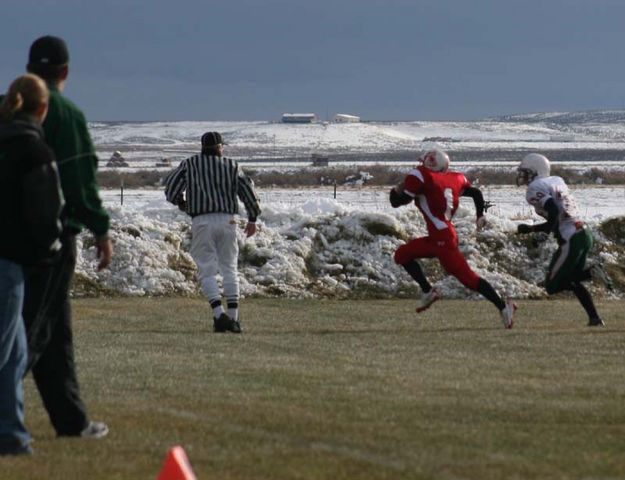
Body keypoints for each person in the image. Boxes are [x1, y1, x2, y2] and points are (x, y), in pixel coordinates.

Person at [22, 35, 113, 438]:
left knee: (53, 329)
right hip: (52, 237)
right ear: (65, 72)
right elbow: (79, 180)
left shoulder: (9, 106)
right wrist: (100, 227)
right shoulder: (65, 114)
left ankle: (71, 420)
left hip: (10, 235)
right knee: (32, 330)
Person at [0, 74, 63, 454]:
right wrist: (51, 248)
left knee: (16, 352)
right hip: (9, 260)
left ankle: (12, 435)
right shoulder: (35, 152)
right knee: (5, 348)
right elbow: (46, 212)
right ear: (42, 109)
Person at [390, 149, 516, 328]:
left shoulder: (421, 175)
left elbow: (397, 202)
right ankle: (428, 291)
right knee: (402, 254)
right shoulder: (454, 178)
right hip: (441, 236)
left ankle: (504, 307)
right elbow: (475, 193)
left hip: (443, 240)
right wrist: (479, 215)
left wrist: (397, 188)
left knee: (469, 279)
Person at [165, 131, 261, 333]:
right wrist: (252, 218)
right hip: (228, 220)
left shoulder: (190, 164)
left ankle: (219, 315)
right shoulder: (232, 165)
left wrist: (182, 203)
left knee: (206, 269)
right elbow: (248, 191)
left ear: (202, 147)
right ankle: (233, 319)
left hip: (201, 220)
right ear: (220, 147)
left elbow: (171, 187)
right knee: (229, 268)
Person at [515, 153, 610, 326]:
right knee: (571, 279)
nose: (524, 176)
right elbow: (558, 217)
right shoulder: (556, 180)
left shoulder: (535, 188)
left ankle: (591, 273)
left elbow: (554, 213)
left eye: (527, 172)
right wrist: (531, 229)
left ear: (536, 171)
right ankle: (595, 318)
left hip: (571, 238)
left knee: (552, 285)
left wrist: (544, 235)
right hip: (583, 233)